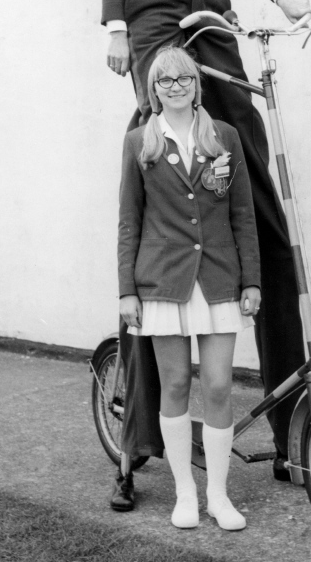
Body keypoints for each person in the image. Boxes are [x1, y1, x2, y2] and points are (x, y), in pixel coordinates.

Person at [102, 0, 311, 478]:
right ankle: (147, 426)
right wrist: (114, 28)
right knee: (163, 126)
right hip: (154, 13)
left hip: (208, 13)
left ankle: (294, 430)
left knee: (240, 123)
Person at [111, 46, 261, 530]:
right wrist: (127, 290)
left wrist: (252, 279)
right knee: (175, 383)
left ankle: (219, 495)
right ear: (153, 91)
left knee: (218, 385)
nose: (175, 87)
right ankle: (185, 493)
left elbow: (242, 213)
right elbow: (129, 221)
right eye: (164, 81)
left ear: (197, 85)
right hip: (162, 281)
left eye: (183, 79)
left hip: (219, 277)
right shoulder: (139, 142)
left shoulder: (227, 138)